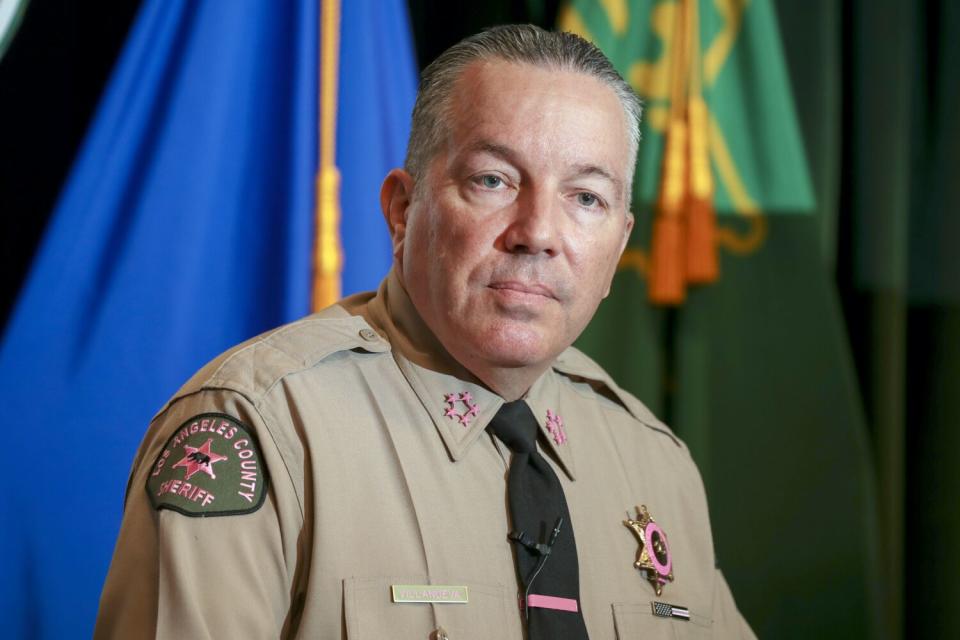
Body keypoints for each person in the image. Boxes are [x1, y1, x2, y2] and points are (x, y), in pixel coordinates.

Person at [95, 24, 754, 639]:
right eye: (494, 180)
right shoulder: (262, 431)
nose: (540, 233)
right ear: (402, 211)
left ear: (618, 247)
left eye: (586, 198)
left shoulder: (653, 462)